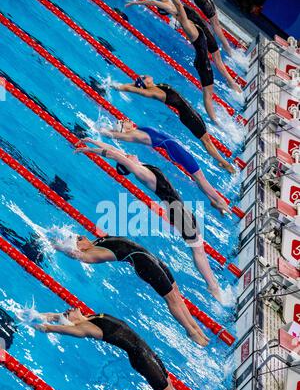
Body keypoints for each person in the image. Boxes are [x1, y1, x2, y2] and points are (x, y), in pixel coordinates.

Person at [75, 136, 223, 301]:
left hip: (179, 209)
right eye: (127, 158)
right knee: (198, 249)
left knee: (198, 247)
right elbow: (115, 156)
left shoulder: (139, 166)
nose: (128, 154)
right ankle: (213, 287)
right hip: (179, 212)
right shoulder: (141, 172)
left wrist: (94, 141)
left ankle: (212, 283)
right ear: (128, 164)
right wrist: (90, 151)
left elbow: (116, 152)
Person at [35, 307, 211, 390]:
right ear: (72, 323)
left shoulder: (89, 318)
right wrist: (47, 328)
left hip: (147, 353)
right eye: (67, 314)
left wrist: (45, 315)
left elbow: (58, 317)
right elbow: (68, 330)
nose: (67, 310)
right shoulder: (86, 328)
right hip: (142, 359)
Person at [54, 234, 210, 346]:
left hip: (151, 258)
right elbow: (73, 254)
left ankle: (194, 326)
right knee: (171, 298)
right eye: (77, 240)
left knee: (176, 293)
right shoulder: (91, 255)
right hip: (146, 266)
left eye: (78, 236)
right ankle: (190, 331)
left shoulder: (96, 242)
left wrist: (60, 237)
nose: (80, 237)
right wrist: (59, 247)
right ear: (78, 248)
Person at [92, 121, 231, 210]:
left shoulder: (137, 129)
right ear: (124, 130)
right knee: (200, 178)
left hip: (176, 149)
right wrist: (101, 133)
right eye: (122, 122)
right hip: (177, 151)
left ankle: (213, 200)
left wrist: (110, 128)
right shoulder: (134, 135)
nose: (124, 120)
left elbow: (116, 132)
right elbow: (115, 137)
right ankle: (221, 202)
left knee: (199, 179)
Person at [114, 77, 235, 173]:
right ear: (146, 83)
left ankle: (221, 161)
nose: (145, 76)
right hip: (190, 116)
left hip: (190, 114)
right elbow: (135, 89)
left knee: (206, 140)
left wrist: (126, 84)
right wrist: (118, 87)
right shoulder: (155, 93)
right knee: (206, 141)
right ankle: (224, 164)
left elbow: (136, 86)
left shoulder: (155, 86)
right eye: (144, 78)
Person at [125, 0, 241, 92]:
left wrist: (137, 2)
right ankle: (232, 80)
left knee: (217, 59)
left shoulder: (170, 7)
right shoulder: (168, 2)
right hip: (202, 29)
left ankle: (232, 84)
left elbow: (154, 2)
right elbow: (155, 1)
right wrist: (138, 2)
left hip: (203, 32)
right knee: (216, 58)